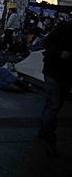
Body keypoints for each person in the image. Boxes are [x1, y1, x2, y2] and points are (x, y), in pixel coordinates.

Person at [39, 22, 72, 158]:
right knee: (54, 104)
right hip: (53, 71)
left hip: (67, 75)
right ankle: (49, 139)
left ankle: (44, 126)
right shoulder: (65, 28)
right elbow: (46, 42)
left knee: (54, 104)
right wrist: (60, 53)